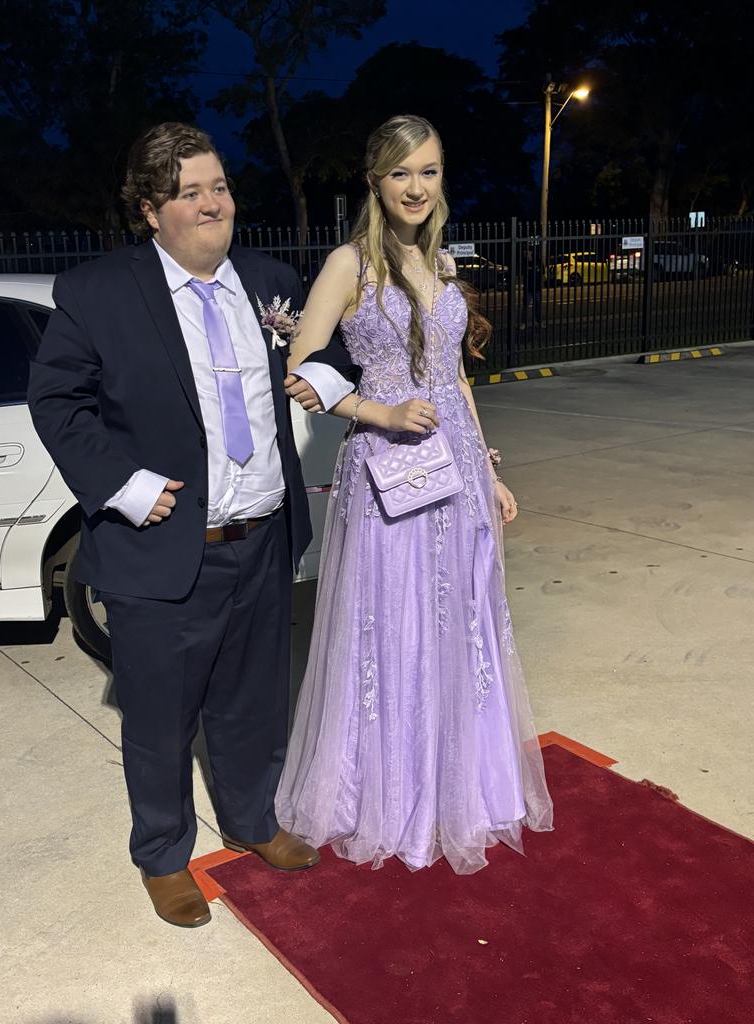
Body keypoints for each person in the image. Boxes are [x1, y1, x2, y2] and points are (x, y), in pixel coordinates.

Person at [27, 122, 357, 927]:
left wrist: (315, 372)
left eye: (220, 186)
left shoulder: (271, 281)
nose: (214, 204)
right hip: (162, 548)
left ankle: (252, 824)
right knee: (161, 716)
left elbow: (336, 352)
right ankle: (164, 855)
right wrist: (125, 487)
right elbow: (56, 401)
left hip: (263, 539)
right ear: (151, 210)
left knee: (253, 703)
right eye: (191, 192)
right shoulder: (100, 292)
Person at [277, 115, 553, 874]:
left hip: (457, 474)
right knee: (393, 626)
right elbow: (302, 364)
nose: (415, 187)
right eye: (401, 172)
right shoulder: (348, 265)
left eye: (428, 172)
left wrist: (488, 469)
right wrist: (380, 412)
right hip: (390, 475)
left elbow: (457, 378)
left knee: (460, 623)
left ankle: (467, 785)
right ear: (374, 181)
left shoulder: (443, 264)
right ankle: (393, 794)